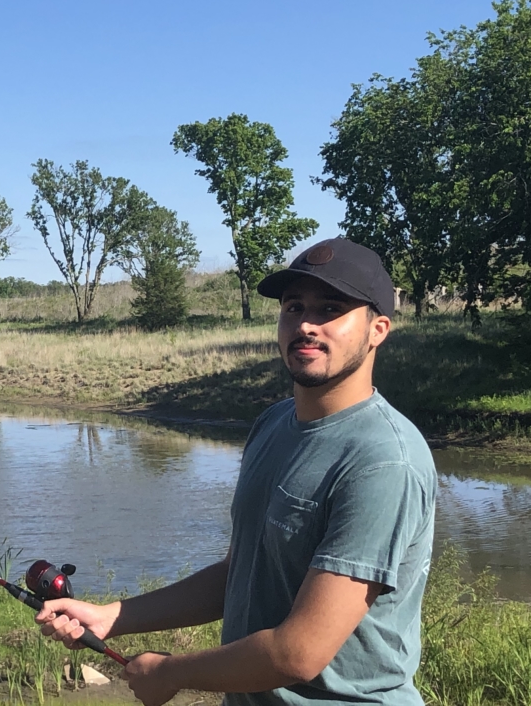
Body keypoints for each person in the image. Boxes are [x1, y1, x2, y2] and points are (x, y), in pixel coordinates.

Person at [36, 237, 437, 706]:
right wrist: (111, 616)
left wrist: (169, 672)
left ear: (378, 330)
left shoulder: (381, 461)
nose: (306, 324)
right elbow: (241, 573)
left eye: (331, 308)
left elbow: (298, 653)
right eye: (293, 307)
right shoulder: (272, 425)